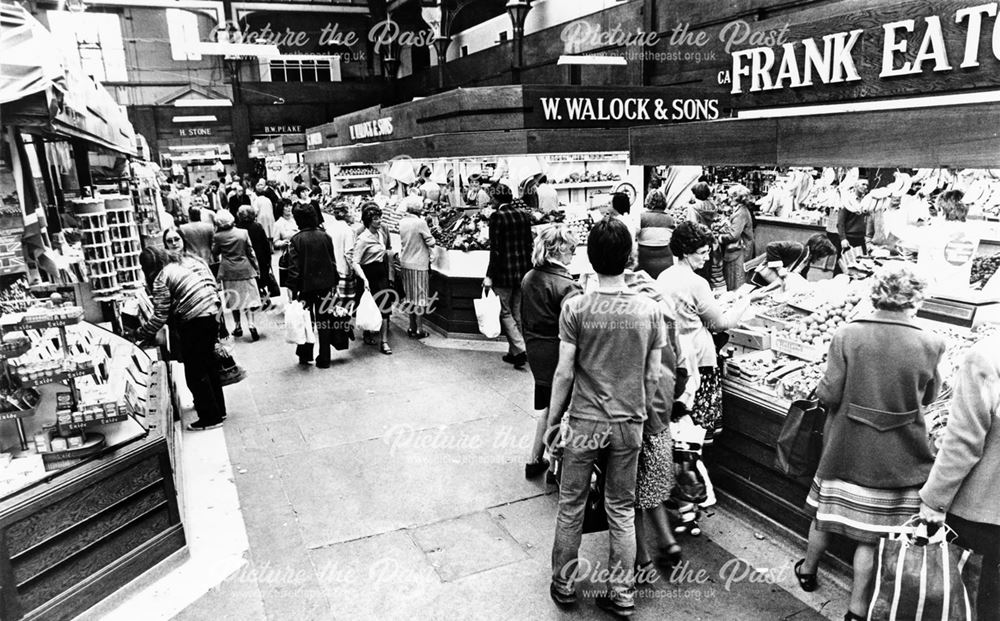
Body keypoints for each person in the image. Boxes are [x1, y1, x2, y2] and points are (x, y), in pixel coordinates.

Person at [796, 265, 944, 621]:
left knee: (823, 516)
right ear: (916, 297)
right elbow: (932, 396)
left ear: (876, 293)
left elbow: (829, 393)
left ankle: (808, 570)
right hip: (900, 455)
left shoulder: (847, 334)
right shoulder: (932, 341)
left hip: (845, 446)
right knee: (871, 537)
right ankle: (856, 610)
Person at [548, 218, 666, 618]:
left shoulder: (576, 308)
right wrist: (641, 412)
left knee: (571, 503)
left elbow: (564, 371)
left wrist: (553, 421)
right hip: (628, 423)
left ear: (589, 257)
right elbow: (652, 374)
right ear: (630, 256)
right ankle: (622, 593)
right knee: (621, 507)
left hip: (584, 421)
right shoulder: (650, 311)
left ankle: (564, 584)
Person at [656, 221, 757, 506]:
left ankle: (677, 484)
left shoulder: (664, 277)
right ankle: (691, 489)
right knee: (696, 430)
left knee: (678, 428)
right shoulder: (696, 282)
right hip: (699, 357)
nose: (706, 257)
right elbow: (720, 323)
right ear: (687, 252)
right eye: (701, 252)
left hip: (674, 357)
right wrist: (744, 301)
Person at [920, 335, 1000, 621]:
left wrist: (934, 499)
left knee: (970, 603)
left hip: (982, 512)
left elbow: (964, 441)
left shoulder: (987, 355)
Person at [136, 247, 226, 431]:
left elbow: (159, 316)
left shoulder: (162, 278)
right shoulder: (182, 264)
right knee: (208, 365)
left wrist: (140, 333)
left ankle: (210, 417)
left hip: (195, 318)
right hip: (211, 311)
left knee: (195, 370)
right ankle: (218, 409)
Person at [519, 224, 581, 478]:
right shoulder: (567, 287)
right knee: (561, 410)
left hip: (536, 350)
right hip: (559, 354)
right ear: (561, 249)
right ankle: (556, 466)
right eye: (572, 250)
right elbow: (576, 332)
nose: (573, 255)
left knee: (547, 404)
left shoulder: (529, 277)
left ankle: (535, 460)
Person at [484, 183, 532, 369]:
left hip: (503, 273)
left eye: (491, 197)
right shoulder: (523, 215)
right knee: (517, 312)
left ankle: (519, 349)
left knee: (504, 311)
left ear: (496, 199)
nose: (490, 200)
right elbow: (529, 245)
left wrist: (489, 275)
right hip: (522, 272)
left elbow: (495, 250)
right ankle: (514, 353)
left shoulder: (497, 217)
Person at [286, 204, 340, 368]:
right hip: (325, 285)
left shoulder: (296, 240)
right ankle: (324, 358)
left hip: (305, 286)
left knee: (305, 320)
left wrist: (292, 289)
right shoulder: (325, 236)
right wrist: (335, 283)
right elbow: (332, 261)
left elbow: (294, 268)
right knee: (324, 321)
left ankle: (305, 354)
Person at [213, 210, 261, 341]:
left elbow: (215, 252)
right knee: (248, 299)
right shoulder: (243, 233)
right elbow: (250, 252)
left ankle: (238, 326)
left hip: (228, 270)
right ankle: (251, 324)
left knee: (234, 299)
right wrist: (256, 268)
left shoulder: (218, 236)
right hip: (245, 268)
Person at [354, 203, 394, 355]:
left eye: (380, 218)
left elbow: (386, 250)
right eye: (376, 219)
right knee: (369, 306)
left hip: (381, 272)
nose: (379, 221)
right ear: (368, 221)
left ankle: (384, 341)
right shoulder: (363, 239)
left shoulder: (381, 234)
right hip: (368, 274)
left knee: (384, 307)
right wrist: (363, 278)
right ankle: (367, 333)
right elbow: (355, 261)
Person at [398, 200, 436, 339]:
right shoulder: (420, 223)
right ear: (419, 209)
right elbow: (431, 241)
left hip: (405, 262)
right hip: (419, 263)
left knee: (409, 296)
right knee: (420, 297)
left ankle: (411, 326)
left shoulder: (402, 222)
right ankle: (419, 329)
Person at [749, 234, 837, 287]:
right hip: (762, 277)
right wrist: (779, 268)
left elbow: (801, 277)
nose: (822, 258)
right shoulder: (798, 248)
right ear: (819, 250)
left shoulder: (807, 260)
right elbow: (771, 246)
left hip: (773, 283)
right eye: (824, 255)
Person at [237, 205, 277, 307]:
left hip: (244, 258)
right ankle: (262, 297)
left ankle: (256, 299)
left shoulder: (237, 228)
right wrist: (268, 259)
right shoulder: (257, 227)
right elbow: (265, 244)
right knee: (260, 278)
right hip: (260, 257)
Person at [722, 186, 755, 291]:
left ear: (737, 198)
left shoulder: (740, 213)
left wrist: (720, 238)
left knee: (736, 281)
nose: (729, 199)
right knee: (736, 278)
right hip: (741, 249)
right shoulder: (742, 211)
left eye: (731, 197)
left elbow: (733, 235)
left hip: (739, 251)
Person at [636, 190, 675, 279]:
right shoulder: (670, 219)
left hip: (644, 261)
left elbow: (633, 235)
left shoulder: (641, 217)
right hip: (666, 261)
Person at [327, 202, 357, 311]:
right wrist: (354, 270)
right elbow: (349, 254)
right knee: (345, 307)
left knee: (334, 305)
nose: (353, 214)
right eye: (351, 211)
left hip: (332, 272)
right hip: (345, 272)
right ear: (345, 214)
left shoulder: (329, 229)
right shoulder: (348, 231)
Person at [837, 179, 870, 255]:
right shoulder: (847, 201)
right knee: (845, 262)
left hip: (862, 238)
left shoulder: (867, 201)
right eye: (863, 184)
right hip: (849, 238)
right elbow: (840, 223)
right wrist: (843, 239)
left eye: (867, 185)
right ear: (855, 186)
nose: (865, 187)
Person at [273, 199, 299, 289]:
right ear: (281, 208)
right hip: (289, 256)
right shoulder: (278, 224)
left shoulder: (295, 220)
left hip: (300, 253)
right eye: (286, 206)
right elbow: (275, 242)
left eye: (290, 205)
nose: (289, 208)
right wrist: (283, 242)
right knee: (290, 282)